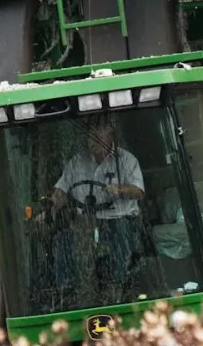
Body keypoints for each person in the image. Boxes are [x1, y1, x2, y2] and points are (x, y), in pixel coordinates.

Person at [50, 122, 146, 290]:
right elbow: (62, 189)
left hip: (119, 218)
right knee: (62, 241)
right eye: (90, 139)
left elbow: (139, 191)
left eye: (98, 139)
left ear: (110, 138)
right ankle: (67, 292)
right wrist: (52, 204)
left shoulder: (127, 160)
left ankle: (116, 287)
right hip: (86, 220)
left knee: (121, 238)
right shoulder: (78, 161)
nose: (93, 144)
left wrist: (119, 189)